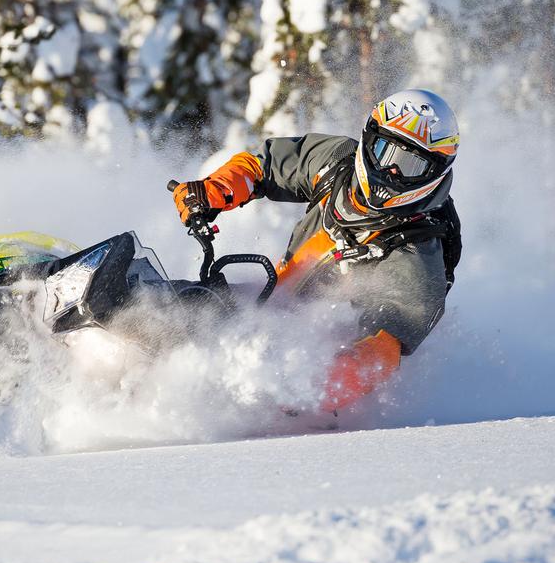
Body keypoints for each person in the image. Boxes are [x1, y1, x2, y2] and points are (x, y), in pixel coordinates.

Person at [173, 88, 462, 413]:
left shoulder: (417, 255)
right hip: (271, 297)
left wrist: (312, 386)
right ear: (370, 139)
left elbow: (383, 350)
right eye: (386, 152)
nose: (391, 172)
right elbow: (263, 165)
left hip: (308, 352)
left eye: (411, 165)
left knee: (218, 363)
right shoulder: (337, 162)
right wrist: (213, 191)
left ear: (434, 173)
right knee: (171, 306)